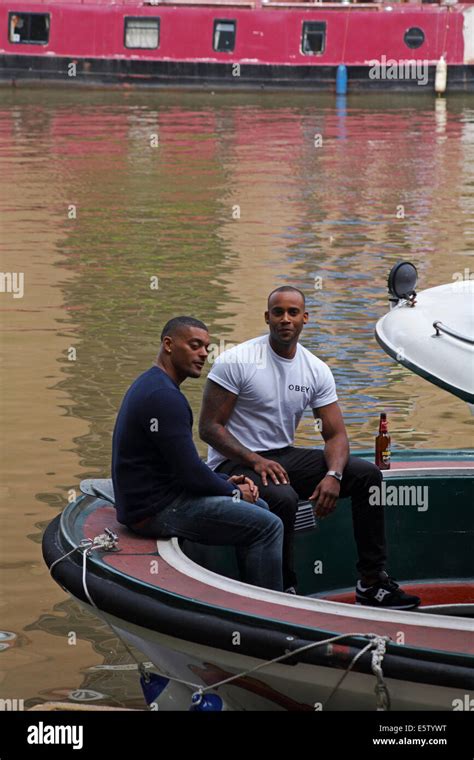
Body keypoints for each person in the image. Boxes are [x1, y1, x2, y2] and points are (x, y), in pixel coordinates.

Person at [199, 287, 421, 609]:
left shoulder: (315, 369)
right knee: (283, 496)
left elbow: (335, 436)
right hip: (234, 462)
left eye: (292, 312)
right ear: (267, 317)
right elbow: (209, 428)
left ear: (305, 318)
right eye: (278, 312)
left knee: (367, 476)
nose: (285, 319)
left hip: (281, 454)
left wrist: (333, 474)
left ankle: (372, 583)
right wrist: (254, 460)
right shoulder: (237, 361)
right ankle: (283, 590)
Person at [111, 316, 284, 592]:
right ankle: (268, 611)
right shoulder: (163, 397)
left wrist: (226, 485)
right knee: (268, 525)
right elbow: (190, 473)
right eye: (195, 345)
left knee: (259, 509)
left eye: (206, 346)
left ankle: (247, 591)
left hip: (158, 499)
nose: (204, 353)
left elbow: (184, 464)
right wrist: (234, 494)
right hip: (153, 511)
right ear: (168, 344)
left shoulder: (154, 384)